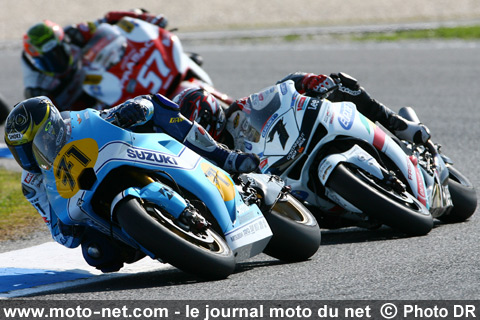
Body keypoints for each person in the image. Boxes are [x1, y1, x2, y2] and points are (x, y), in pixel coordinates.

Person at [4, 93, 259, 272]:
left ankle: (224, 157)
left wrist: (135, 108)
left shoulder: (77, 122)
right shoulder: (32, 185)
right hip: (96, 210)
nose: (29, 157)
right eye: (22, 151)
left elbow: (115, 114)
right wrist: (66, 229)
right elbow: (60, 235)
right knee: (99, 255)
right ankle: (160, 236)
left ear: (52, 128)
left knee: (157, 104)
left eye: (33, 145)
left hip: (121, 161)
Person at [177, 72, 431, 149]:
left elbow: (278, 90)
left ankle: (398, 125)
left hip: (297, 140)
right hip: (284, 184)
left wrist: (306, 81)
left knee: (340, 83)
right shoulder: (210, 160)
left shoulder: (239, 108)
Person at [21, 9, 168, 108]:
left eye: (58, 53)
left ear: (64, 42)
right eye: (47, 60)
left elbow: (108, 19)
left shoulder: (74, 34)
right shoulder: (37, 88)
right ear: (36, 61)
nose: (55, 62)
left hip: (101, 76)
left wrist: (142, 17)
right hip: (84, 110)